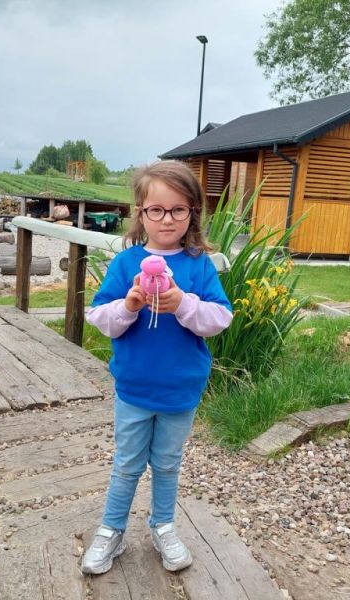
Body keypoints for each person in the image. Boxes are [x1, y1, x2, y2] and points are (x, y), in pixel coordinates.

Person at [81, 160, 232, 575]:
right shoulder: (126, 264)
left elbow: (219, 319)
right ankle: (111, 530)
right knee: (127, 463)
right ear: (141, 213)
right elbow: (100, 318)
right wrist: (129, 305)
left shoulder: (199, 265)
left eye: (178, 209)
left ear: (192, 213)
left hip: (181, 389)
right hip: (134, 388)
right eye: (157, 210)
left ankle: (163, 525)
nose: (167, 219)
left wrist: (182, 302)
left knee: (167, 463)